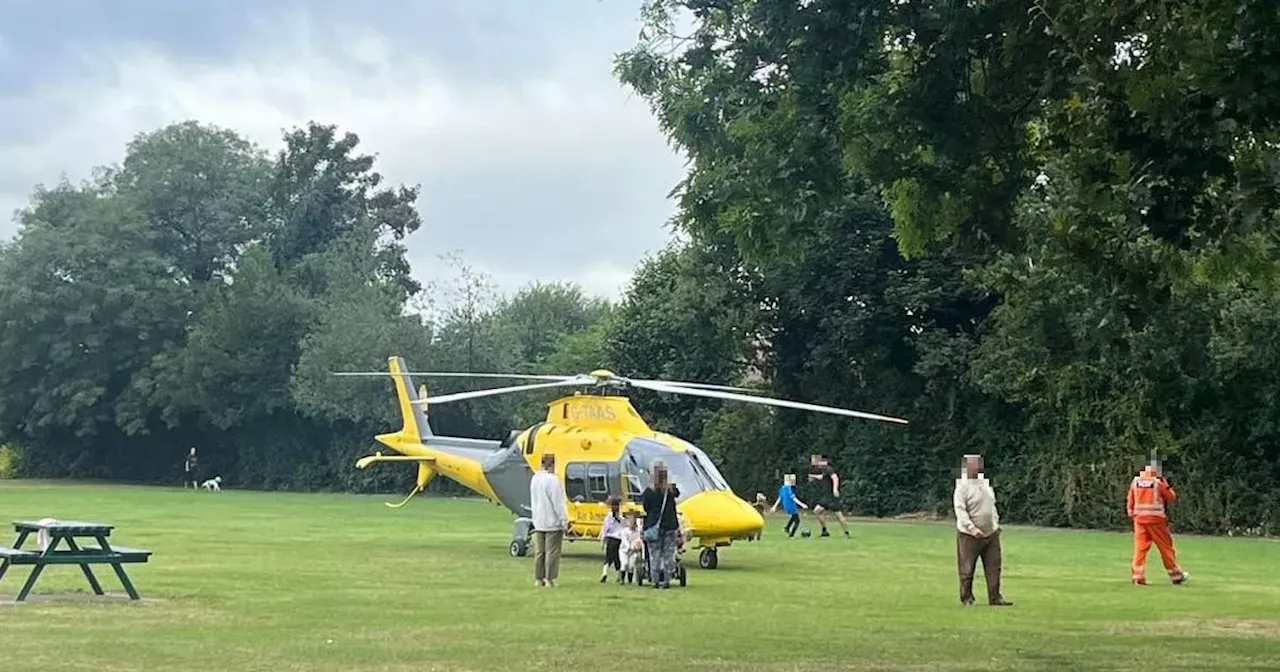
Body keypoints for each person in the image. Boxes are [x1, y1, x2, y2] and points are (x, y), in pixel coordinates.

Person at [953, 454, 1012, 606]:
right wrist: (972, 528)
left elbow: (991, 506)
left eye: (979, 464)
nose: (977, 467)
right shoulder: (962, 486)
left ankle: (995, 597)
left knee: (994, 566)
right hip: (969, 535)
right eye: (973, 465)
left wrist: (996, 524)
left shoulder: (985, 483)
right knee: (967, 568)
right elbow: (960, 510)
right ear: (966, 467)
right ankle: (966, 598)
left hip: (991, 534)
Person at [1127, 461, 1189, 586]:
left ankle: (1138, 577)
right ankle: (1176, 575)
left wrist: (1131, 512)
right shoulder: (1158, 482)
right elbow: (1171, 497)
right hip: (1156, 520)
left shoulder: (1136, 481)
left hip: (1139, 519)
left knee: (1140, 548)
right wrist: (1166, 483)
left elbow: (1130, 499)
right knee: (1165, 548)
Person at [529, 453, 569, 587]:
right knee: (552, 552)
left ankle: (538, 578)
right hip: (552, 521)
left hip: (539, 520)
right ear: (552, 464)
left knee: (540, 552)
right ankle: (549, 578)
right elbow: (558, 502)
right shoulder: (552, 480)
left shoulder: (535, 478)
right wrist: (564, 520)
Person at [641, 461, 681, 589]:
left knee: (655, 554)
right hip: (670, 525)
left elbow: (645, 507)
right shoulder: (670, 491)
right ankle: (667, 580)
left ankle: (655, 580)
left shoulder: (648, 492)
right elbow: (678, 493)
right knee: (669, 553)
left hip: (654, 526)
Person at [806, 454, 850, 537]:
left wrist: (835, 489)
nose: (813, 464)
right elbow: (823, 477)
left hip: (831, 496)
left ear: (819, 461)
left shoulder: (828, 468)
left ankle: (846, 533)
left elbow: (835, 478)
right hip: (826, 497)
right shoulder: (824, 469)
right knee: (817, 511)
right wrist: (813, 476)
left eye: (814, 461)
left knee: (838, 515)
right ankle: (824, 531)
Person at [598, 495, 626, 583]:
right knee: (618, 558)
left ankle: (605, 572)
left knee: (608, 557)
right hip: (619, 539)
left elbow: (605, 529)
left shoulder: (609, 517)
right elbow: (625, 526)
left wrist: (603, 539)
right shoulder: (621, 517)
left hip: (611, 538)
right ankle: (619, 576)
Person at [772, 473, 808, 537]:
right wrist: (802, 505)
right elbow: (793, 498)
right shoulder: (789, 488)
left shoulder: (783, 488)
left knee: (793, 516)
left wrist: (774, 506)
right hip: (791, 506)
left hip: (786, 506)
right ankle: (791, 535)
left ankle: (787, 528)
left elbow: (780, 498)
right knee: (797, 521)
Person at [619, 510, 644, 584]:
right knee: (624, 564)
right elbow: (625, 541)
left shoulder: (638, 532)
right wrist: (630, 546)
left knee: (631, 566)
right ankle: (622, 579)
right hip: (624, 551)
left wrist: (638, 546)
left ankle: (629, 580)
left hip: (633, 552)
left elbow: (639, 540)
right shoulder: (624, 532)